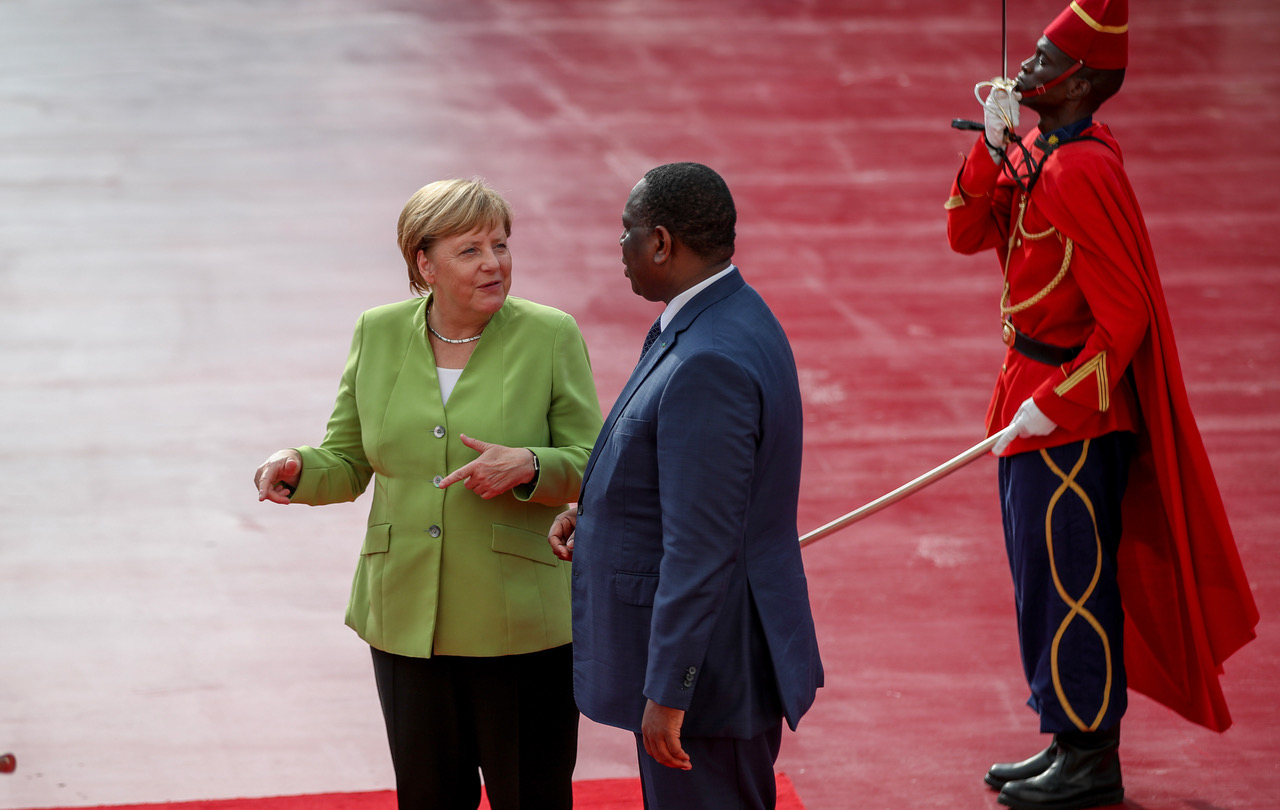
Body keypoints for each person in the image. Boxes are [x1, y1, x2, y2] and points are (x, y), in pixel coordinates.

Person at [944, 1, 1258, 808]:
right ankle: (1067, 738)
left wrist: (1056, 404)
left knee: (1074, 587)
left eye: (1044, 63)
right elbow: (967, 233)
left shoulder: (1081, 170)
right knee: (1041, 585)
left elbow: (1127, 318)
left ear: (1080, 81)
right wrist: (988, 147)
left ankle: (1092, 757)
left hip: (1071, 420)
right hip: (1029, 398)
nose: (1025, 73)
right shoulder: (1048, 149)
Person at [254, 179, 603, 810]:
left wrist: (527, 465)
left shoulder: (551, 336)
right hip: (407, 619)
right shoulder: (378, 332)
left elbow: (592, 463)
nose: (494, 262)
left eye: (500, 244)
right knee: (428, 797)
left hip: (518, 624)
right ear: (424, 262)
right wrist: (295, 466)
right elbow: (349, 460)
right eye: (470, 249)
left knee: (532, 796)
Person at [547, 162, 824, 810]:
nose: (620, 248)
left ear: (663, 243)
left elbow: (702, 547)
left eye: (627, 233)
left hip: (711, 684)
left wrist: (670, 690)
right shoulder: (731, 315)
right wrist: (595, 516)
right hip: (726, 665)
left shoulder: (709, 360)